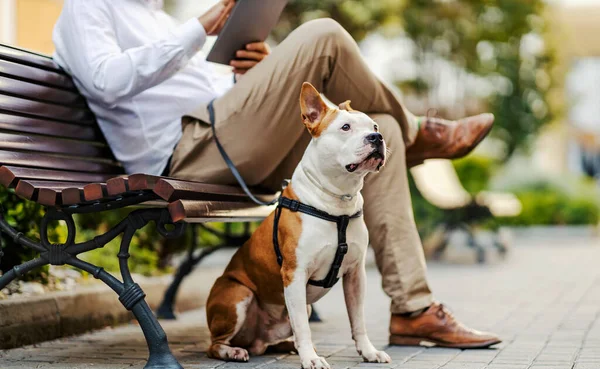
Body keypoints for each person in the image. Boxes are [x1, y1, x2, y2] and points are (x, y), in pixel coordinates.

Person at [53, 0, 500, 349]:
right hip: (183, 156)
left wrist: (251, 75)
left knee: (384, 127)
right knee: (324, 35)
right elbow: (105, 80)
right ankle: (423, 130)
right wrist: (197, 30)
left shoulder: (153, 15)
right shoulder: (88, 6)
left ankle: (413, 309)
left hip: (220, 141)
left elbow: (195, 92)